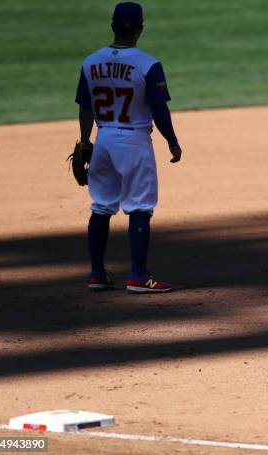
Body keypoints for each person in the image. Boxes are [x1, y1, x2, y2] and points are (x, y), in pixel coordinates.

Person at [75, 2, 182, 293]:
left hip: (104, 138)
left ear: (112, 26)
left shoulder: (90, 62)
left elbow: (85, 107)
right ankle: (137, 275)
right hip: (134, 141)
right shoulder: (148, 64)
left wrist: (86, 141)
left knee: (101, 205)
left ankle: (97, 273)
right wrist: (172, 141)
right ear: (140, 29)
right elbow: (159, 110)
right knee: (140, 206)